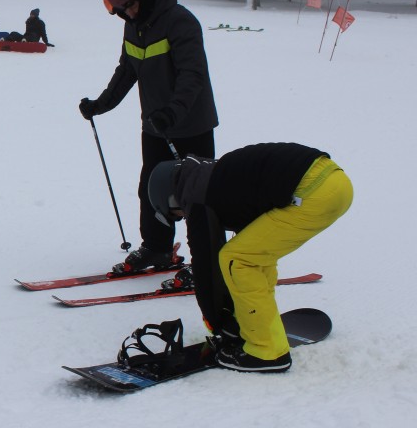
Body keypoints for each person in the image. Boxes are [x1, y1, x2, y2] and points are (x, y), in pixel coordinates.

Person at [146, 143, 353, 372]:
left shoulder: (196, 192)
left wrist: (219, 324)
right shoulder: (214, 176)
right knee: (254, 254)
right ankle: (252, 325)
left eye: (177, 214)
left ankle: (267, 353)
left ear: (172, 198)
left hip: (313, 191)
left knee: (238, 259)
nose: (184, 215)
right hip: (334, 182)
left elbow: (206, 267)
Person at [78, 0, 218, 275]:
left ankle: (207, 260)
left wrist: (173, 112)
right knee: (152, 189)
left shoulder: (180, 21)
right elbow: (127, 71)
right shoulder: (134, 24)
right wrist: (101, 105)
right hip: (155, 125)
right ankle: (157, 248)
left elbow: (192, 76)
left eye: (123, 7)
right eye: (114, 9)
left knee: (195, 193)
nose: (122, 15)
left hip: (191, 124)